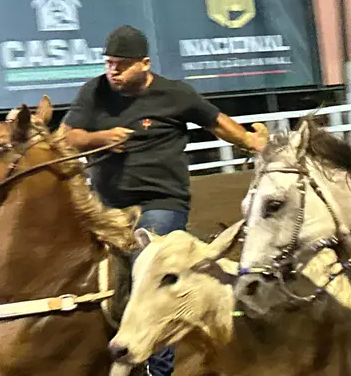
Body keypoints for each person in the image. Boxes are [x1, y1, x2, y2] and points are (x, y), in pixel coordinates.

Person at [60, 24, 268, 376]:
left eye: (122, 65)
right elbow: (66, 137)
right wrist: (101, 137)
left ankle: (158, 368)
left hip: (161, 202)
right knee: (77, 269)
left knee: (149, 270)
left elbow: (219, 125)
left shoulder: (175, 95)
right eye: (109, 63)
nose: (113, 71)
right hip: (106, 208)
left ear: (144, 64)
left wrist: (258, 144)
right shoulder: (93, 92)